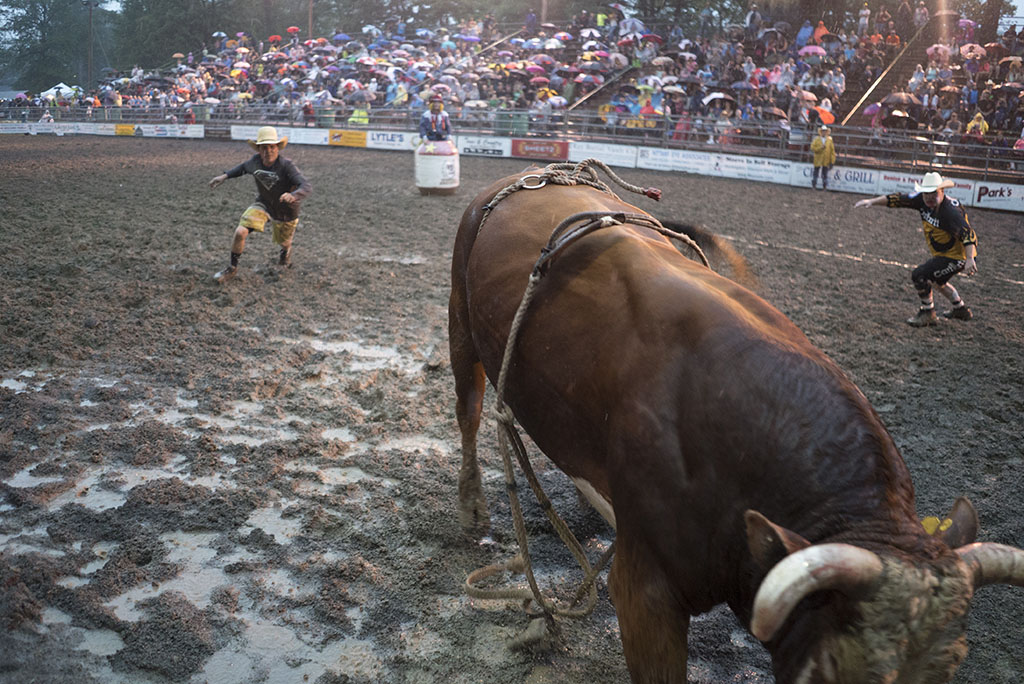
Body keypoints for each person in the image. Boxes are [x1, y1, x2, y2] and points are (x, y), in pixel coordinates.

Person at [854, 171, 978, 326]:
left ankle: (928, 313)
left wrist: (970, 258)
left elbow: (968, 234)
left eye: (933, 193)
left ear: (942, 191)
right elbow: (898, 199)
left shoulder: (950, 212)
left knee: (920, 275)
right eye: (926, 194)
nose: (929, 198)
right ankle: (960, 309)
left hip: (958, 257)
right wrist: (872, 201)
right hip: (947, 253)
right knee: (937, 282)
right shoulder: (922, 200)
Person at [208, 126, 312, 283]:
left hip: (286, 211)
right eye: (264, 147)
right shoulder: (255, 162)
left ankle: (285, 254)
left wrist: (293, 195)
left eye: (271, 147)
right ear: (259, 149)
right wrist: (225, 176)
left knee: (284, 243)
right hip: (264, 204)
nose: (268, 151)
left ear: (277, 148)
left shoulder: (286, 166)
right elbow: (242, 168)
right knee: (240, 232)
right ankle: (232, 268)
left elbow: (305, 186)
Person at [810, 125, 836, 190]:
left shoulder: (829, 140)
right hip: (818, 158)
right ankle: (814, 185)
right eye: (823, 131)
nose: (824, 132)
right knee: (816, 172)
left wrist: (832, 161)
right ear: (821, 132)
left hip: (826, 159)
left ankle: (824, 186)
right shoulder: (817, 139)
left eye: (825, 131)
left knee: (824, 174)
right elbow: (812, 148)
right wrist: (820, 148)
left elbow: (832, 151)